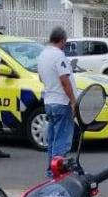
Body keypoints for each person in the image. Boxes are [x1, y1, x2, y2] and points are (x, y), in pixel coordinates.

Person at [37, 27, 77, 177]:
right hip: (61, 102)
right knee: (62, 141)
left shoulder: (42, 55)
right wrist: (73, 101)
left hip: (49, 101)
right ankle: (58, 172)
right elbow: (64, 80)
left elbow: (41, 78)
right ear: (62, 40)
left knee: (53, 140)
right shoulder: (59, 56)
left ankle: (51, 170)